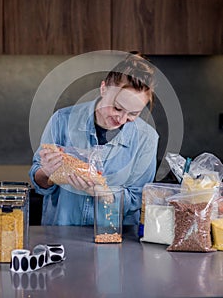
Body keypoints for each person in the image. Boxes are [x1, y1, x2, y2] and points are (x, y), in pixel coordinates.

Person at [29, 53, 159, 225]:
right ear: (104, 89)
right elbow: (39, 182)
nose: (121, 119)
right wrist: (47, 172)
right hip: (62, 233)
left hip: (116, 240)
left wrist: (103, 193)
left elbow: (138, 198)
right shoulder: (62, 120)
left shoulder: (146, 138)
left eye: (133, 113)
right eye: (117, 108)